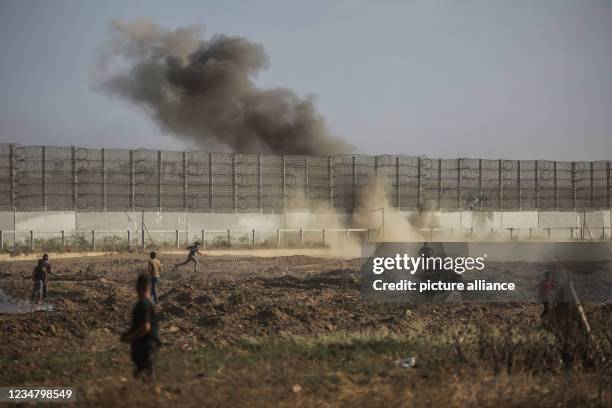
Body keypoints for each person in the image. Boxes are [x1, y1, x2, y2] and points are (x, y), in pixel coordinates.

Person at [120, 274, 160, 381]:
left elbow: (145, 327)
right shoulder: (150, 304)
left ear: (138, 287)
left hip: (145, 348)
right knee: (143, 378)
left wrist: (130, 337)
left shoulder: (143, 304)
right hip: (148, 348)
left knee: (144, 379)